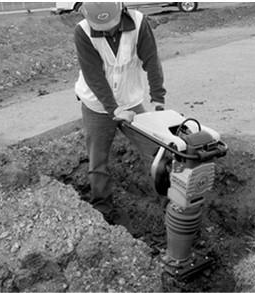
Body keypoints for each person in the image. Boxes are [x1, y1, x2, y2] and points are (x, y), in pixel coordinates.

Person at [74, 2, 166, 227]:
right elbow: (93, 75)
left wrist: (158, 98)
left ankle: (168, 206)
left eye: (109, 25)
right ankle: (102, 212)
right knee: (98, 162)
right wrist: (113, 109)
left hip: (131, 102)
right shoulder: (83, 31)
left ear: (120, 10)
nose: (106, 30)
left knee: (156, 153)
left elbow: (151, 61)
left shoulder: (138, 23)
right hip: (96, 106)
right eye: (101, 26)